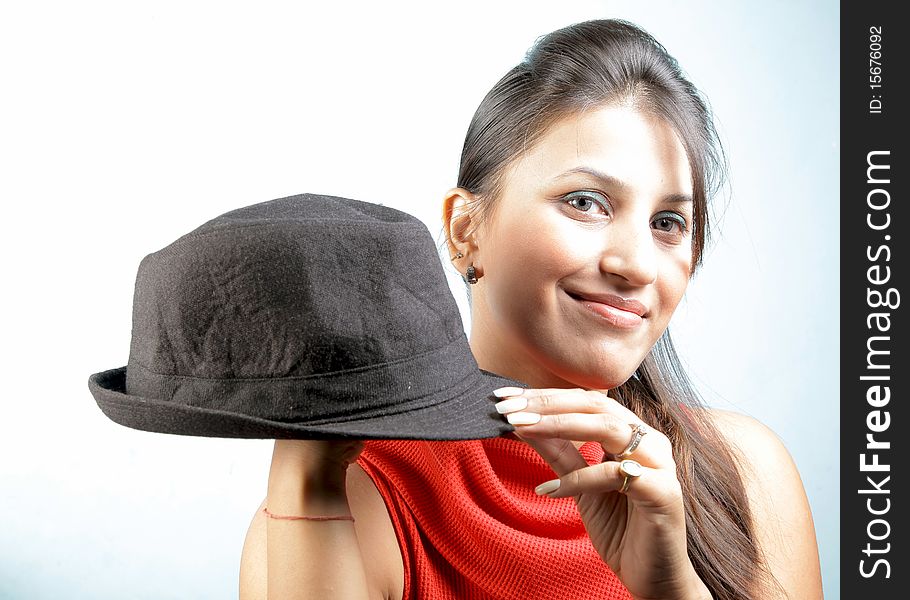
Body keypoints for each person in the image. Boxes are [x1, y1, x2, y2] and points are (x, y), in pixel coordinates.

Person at [238, 19, 823, 600]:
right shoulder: (351, 495)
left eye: (668, 223)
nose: (637, 264)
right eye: (586, 202)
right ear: (465, 229)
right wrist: (304, 477)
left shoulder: (745, 475)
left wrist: (674, 591)